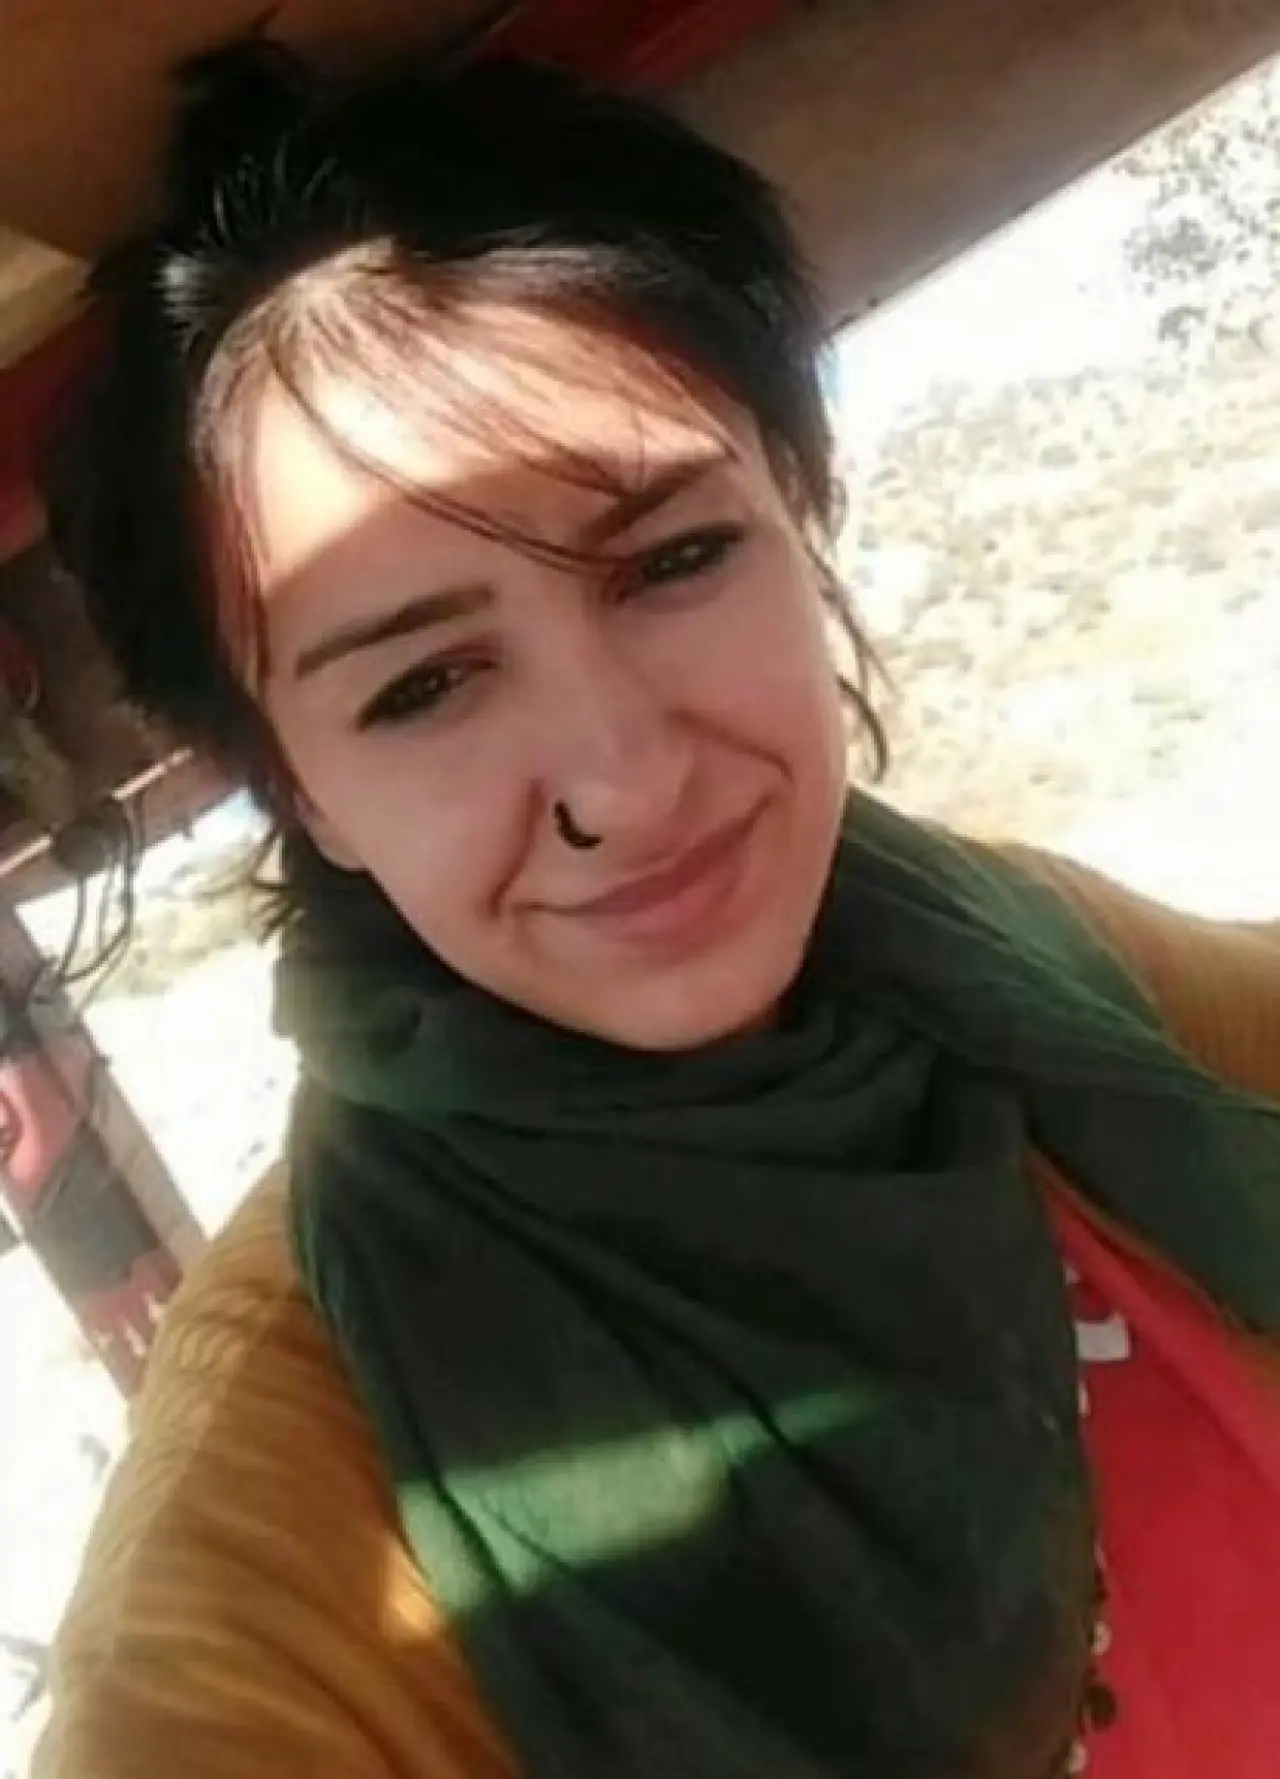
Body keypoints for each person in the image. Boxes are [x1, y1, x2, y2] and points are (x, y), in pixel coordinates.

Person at [32, 40, 1280, 1779]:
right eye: (422, 684)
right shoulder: (277, 1536)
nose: (624, 779)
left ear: (798, 505)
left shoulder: (999, 963)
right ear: (299, 790)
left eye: (677, 559)